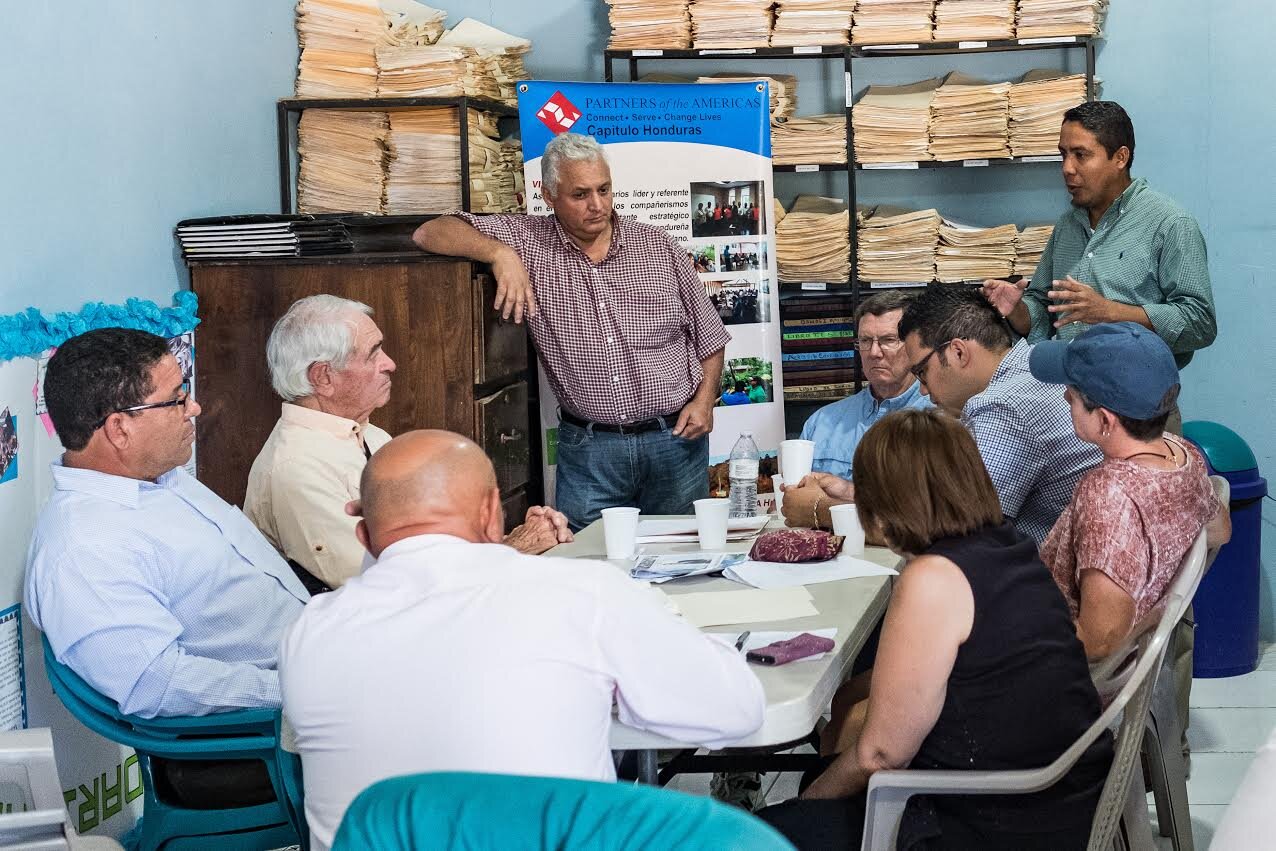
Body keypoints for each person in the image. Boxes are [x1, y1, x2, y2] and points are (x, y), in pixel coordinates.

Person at [280, 430, 765, 851]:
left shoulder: (309, 632)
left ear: (362, 535)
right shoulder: (582, 592)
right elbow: (737, 711)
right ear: (494, 513)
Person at [756, 409, 1112, 850]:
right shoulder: (1007, 546)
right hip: (1061, 796)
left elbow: (881, 754)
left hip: (993, 818)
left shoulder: (933, 578)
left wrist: (804, 807)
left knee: (757, 831)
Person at [26, 328, 309, 806]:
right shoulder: (86, 547)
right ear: (119, 428)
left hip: (305, 677)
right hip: (243, 746)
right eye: (176, 398)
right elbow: (155, 685)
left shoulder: (159, 480)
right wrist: (306, 688)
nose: (194, 408)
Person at [413, 133, 730, 530]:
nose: (597, 205)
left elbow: (711, 337)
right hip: (590, 451)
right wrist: (499, 254)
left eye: (604, 189)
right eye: (580, 195)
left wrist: (704, 402)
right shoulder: (528, 241)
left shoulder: (658, 246)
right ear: (548, 196)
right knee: (587, 568)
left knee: (683, 559)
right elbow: (429, 232)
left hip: (674, 443)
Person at [245, 295, 572, 592]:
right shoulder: (297, 468)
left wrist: (512, 541)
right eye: (373, 355)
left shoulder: (368, 434)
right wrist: (513, 550)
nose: (390, 364)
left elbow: (430, 546)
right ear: (323, 378)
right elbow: (386, 585)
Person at [786, 286, 1100, 545]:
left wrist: (820, 510)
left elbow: (948, 535)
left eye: (922, 372)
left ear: (959, 353)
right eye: (866, 342)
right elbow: (942, 504)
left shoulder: (1002, 405)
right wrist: (853, 493)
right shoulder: (1030, 367)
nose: (923, 391)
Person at [983, 101, 1216, 431]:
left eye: (1081, 154)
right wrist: (1017, 310)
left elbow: (1200, 322)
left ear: (1120, 158)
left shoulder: (1170, 224)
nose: (1067, 168)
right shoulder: (1067, 226)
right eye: (1063, 154)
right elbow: (1042, 309)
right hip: (1068, 407)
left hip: (1140, 414)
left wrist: (1111, 312)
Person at [1031, 322, 1229, 660]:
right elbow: (1220, 530)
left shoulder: (1109, 496)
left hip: (1064, 676)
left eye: (1074, 396)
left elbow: (1100, 640)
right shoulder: (1183, 454)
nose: (1065, 395)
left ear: (1106, 421)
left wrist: (1011, 633)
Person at [787, 292, 930, 494]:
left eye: (888, 340)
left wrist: (835, 499)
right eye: (865, 341)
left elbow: (935, 507)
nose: (874, 352)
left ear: (917, 344)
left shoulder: (942, 419)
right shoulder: (821, 423)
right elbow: (793, 499)